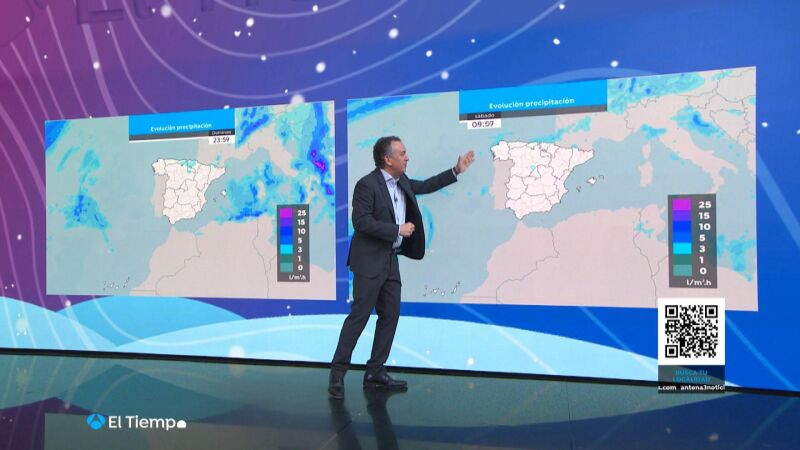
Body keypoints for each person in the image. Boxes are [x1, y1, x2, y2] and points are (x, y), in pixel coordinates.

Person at [329, 136, 475, 398]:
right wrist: (397, 229)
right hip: (368, 262)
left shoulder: (402, 181)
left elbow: (426, 185)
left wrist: (456, 171)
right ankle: (337, 375)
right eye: (402, 153)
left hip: (390, 260)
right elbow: (361, 222)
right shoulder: (367, 185)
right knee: (359, 318)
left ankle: (375, 372)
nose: (407, 157)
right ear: (388, 159)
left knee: (390, 315)